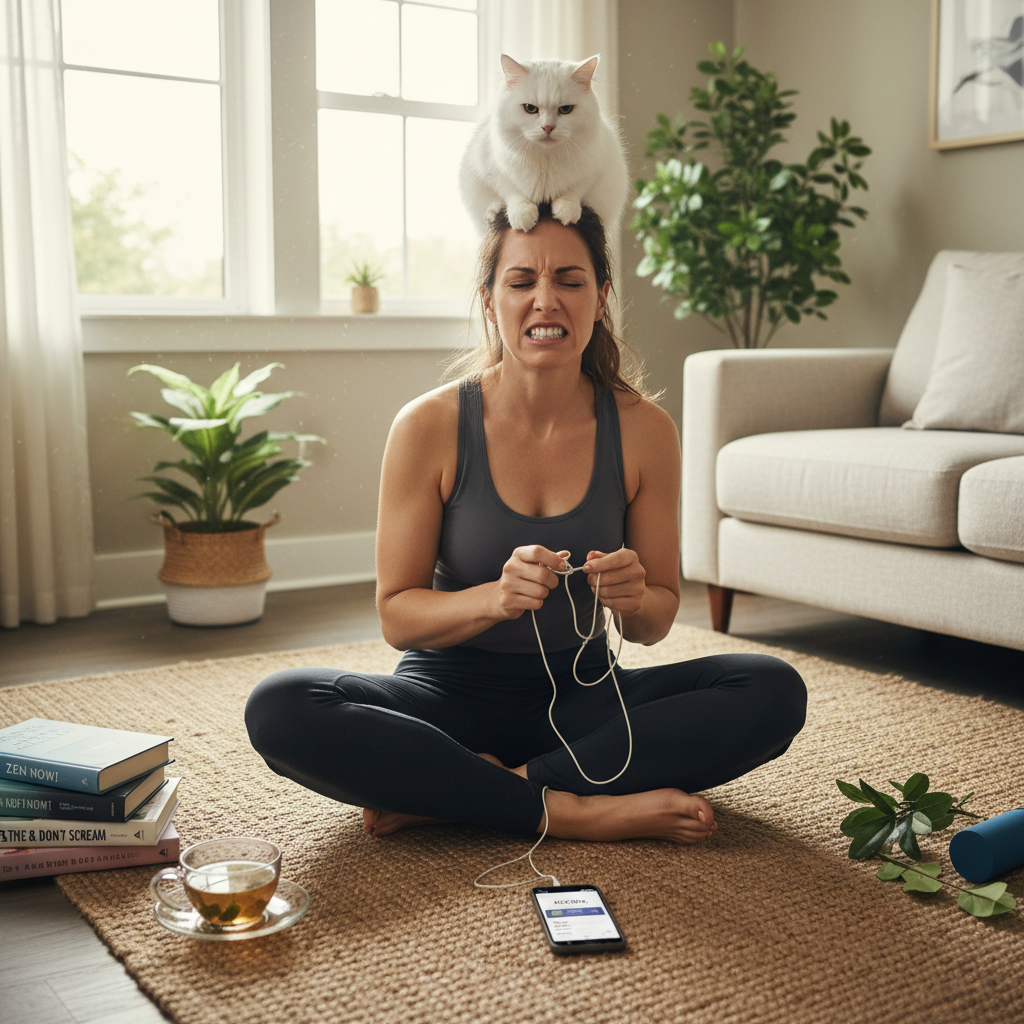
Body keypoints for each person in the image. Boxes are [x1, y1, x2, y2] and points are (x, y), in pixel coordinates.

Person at [244, 204, 806, 845]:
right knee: (281, 705)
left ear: (601, 300)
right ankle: (571, 810)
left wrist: (631, 597)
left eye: (570, 280)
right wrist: (494, 599)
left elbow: (654, 623)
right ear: (489, 301)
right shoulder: (428, 427)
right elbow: (397, 616)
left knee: (772, 690)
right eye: (521, 282)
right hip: (445, 698)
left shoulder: (646, 430)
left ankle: (469, 793)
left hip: (587, 698)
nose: (547, 301)